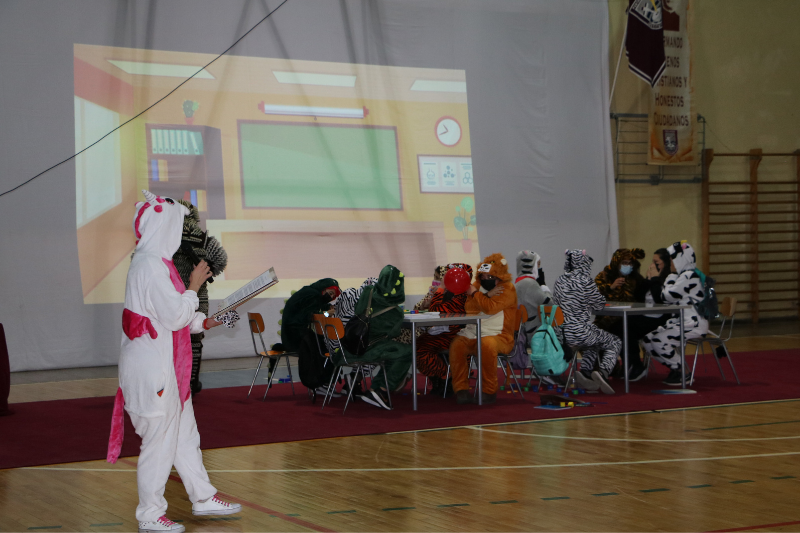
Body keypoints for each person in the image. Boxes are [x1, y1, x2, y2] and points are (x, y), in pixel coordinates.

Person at [107, 190, 240, 533]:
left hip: (167, 368)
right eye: (176, 224)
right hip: (155, 371)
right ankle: (150, 515)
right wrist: (194, 285)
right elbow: (178, 315)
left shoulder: (155, 264)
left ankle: (202, 495)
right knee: (160, 443)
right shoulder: (151, 265)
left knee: (184, 437)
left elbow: (181, 320)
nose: (180, 232)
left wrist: (214, 319)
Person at [334, 265, 412, 410]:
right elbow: (394, 334)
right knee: (406, 352)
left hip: (347, 346)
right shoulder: (395, 312)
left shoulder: (367, 292)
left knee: (394, 352)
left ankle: (376, 389)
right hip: (366, 349)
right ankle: (380, 390)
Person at [171, 200, 228, 395]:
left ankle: (171, 384)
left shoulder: (164, 236)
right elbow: (221, 260)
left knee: (168, 341)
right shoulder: (204, 239)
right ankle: (191, 383)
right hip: (198, 299)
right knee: (194, 341)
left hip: (169, 298)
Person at [449, 253, 517, 405]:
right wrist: (483, 294)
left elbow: (490, 308)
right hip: (474, 332)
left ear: (499, 276)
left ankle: (489, 391)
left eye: (490, 277)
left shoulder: (508, 288)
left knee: (486, 345)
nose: (486, 280)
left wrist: (476, 294)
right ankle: (461, 390)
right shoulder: (479, 287)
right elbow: (470, 308)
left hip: (499, 336)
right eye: (483, 276)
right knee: (457, 345)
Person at [552, 249, 621, 394]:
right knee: (614, 341)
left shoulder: (559, 281)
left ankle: (586, 372)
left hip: (563, 334)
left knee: (593, 342)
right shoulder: (585, 281)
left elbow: (556, 305)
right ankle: (603, 372)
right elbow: (599, 305)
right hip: (580, 332)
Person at [641, 241, 709, 386]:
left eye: (672, 259)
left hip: (693, 323)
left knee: (659, 340)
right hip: (679, 322)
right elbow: (666, 298)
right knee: (647, 340)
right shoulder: (681, 275)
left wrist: (664, 277)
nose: (670, 262)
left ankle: (683, 372)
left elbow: (666, 297)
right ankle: (675, 367)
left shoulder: (689, 275)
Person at [416, 263, 474, 396]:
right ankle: (442, 378)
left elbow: (435, 309)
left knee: (420, 348)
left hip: (458, 335)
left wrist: (441, 288)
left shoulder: (464, 295)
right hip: (444, 332)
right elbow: (428, 307)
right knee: (418, 344)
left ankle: (446, 376)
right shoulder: (453, 293)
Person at [593, 248, 648, 378]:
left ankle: (631, 366)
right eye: (624, 262)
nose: (627, 266)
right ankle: (608, 367)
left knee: (622, 331)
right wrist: (611, 287)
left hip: (627, 319)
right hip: (604, 319)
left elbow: (641, 301)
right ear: (616, 262)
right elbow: (593, 295)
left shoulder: (636, 279)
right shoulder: (604, 275)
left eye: (630, 263)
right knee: (592, 334)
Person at [626, 248, 676, 381]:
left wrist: (655, 279)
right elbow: (638, 296)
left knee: (628, 327)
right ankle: (634, 364)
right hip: (647, 315)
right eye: (652, 262)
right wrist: (648, 280)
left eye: (657, 262)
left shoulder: (671, 279)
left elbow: (660, 300)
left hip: (662, 318)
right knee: (620, 326)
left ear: (666, 263)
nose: (653, 265)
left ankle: (636, 366)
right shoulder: (654, 279)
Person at [279, 278, 340, 352]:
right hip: (295, 336)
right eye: (330, 293)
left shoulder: (310, 291)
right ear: (323, 289)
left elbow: (314, 306)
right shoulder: (313, 295)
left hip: (290, 334)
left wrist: (327, 307)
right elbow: (311, 315)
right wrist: (327, 314)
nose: (330, 297)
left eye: (333, 296)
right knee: (324, 345)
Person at [514, 250, 552, 345]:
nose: (539, 268)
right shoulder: (530, 284)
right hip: (534, 335)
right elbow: (551, 306)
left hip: (522, 333)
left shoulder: (518, 283)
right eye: (537, 264)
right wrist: (543, 286)